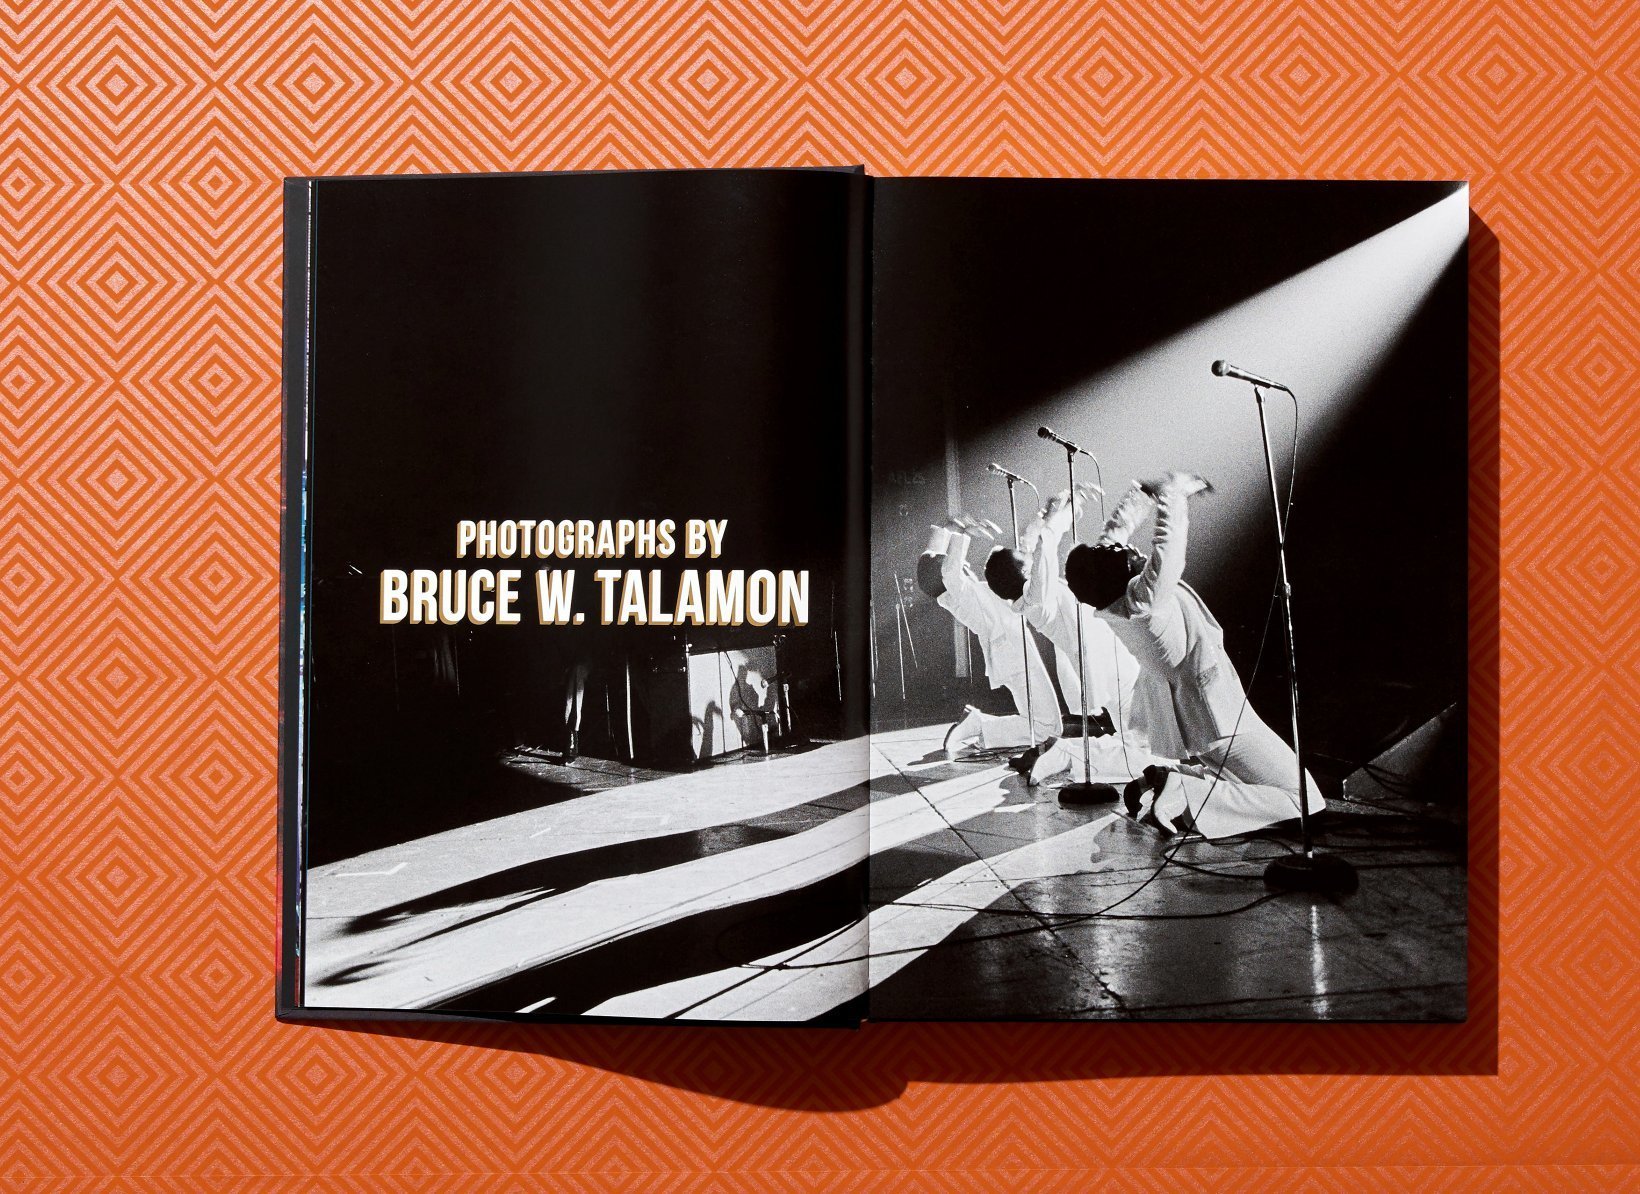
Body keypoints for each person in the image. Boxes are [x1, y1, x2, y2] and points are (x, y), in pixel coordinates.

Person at [1063, 473, 1323, 839]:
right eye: (1125, 555)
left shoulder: (1114, 599)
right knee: (1306, 799)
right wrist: (1172, 493)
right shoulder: (1143, 602)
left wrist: (1140, 497)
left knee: (1250, 781)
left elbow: (1111, 542)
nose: (1133, 550)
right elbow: (1167, 550)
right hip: (1218, 718)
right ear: (1118, 573)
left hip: (1201, 720)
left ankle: (1171, 780)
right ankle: (1184, 791)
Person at [1011, 486, 1138, 786]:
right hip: (1110, 667)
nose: (1027, 554)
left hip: (1114, 659)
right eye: (1023, 559)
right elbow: (1044, 545)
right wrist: (1066, 510)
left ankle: (1068, 753)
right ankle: (1068, 753)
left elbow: (1033, 544)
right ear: (1022, 573)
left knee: (1136, 744)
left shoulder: (1034, 594)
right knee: (1148, 752)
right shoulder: (1036, 599)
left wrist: (1053, 510)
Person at [918, 521, 1061, 760]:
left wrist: (951, 531)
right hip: (1014, 655)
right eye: (952, 562)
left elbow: (933, 559)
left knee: (1046, 725)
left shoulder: (967, 591)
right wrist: (962, 535)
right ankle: (979, 725)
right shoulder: (958, 594)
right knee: (1048, 728)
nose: (962, 564)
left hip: (1014, 652)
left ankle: (979, 723)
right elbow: (947, 570)